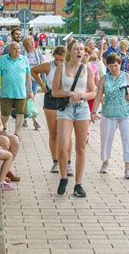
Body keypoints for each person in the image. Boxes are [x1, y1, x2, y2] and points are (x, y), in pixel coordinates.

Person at [52, 41, 96, 197]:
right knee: (63, 146)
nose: (80, 52)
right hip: (66, 109)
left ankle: (78, 184)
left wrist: (82, 95)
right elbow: (55, 92)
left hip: (82, 109)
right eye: (77, 49)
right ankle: (63, 177)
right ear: (70, 51)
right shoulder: (61, 68)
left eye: (82, 49)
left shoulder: (86, 69)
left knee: (81, 147)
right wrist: (69, 94)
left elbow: (93, 92)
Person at [91, 53, 129, 179]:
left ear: (120, 64)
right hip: (108, 113)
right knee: (106, 140)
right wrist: (94, 111)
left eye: (116, 65)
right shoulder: (104, 78)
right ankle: (105, 162)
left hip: (125, 113)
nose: (114, 68)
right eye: (111, 66)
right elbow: (99, 96)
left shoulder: (127, 76)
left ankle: (128, 168)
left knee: (128, 141)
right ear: (107, 66)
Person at [31, 47, 74, 175]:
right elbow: (33, 71)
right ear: (53, 57)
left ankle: (68, 163)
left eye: (62, 60)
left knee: (67, 134)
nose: (59, 62)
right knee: (53, 132)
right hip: (51, 99)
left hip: (66, 100)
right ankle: (55, 161)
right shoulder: (48, 66)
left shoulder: (70, 66)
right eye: (56, 59)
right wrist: (42, 85)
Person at [0, 42, 34, 137]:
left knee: (20, 114)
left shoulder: (24, 60)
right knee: (5, 114)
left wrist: (31, 91)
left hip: (20, 93)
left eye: (18, 49)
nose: (17, 51)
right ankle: (3, 128)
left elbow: (28, 76)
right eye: (14, 49)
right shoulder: (3, 59)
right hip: (6, 93)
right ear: (10, 50)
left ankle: (16, 134)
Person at [23, 36, 44, 130]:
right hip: (26, 78)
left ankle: (23, 117)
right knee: (29, 98)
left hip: (35, 78)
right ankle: (34, 121)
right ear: (26, 44)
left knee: (31, 98)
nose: (32, 44)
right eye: (30, 42)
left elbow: (42, 62)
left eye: (33, 42)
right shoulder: (24, 53)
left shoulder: (37, 52)